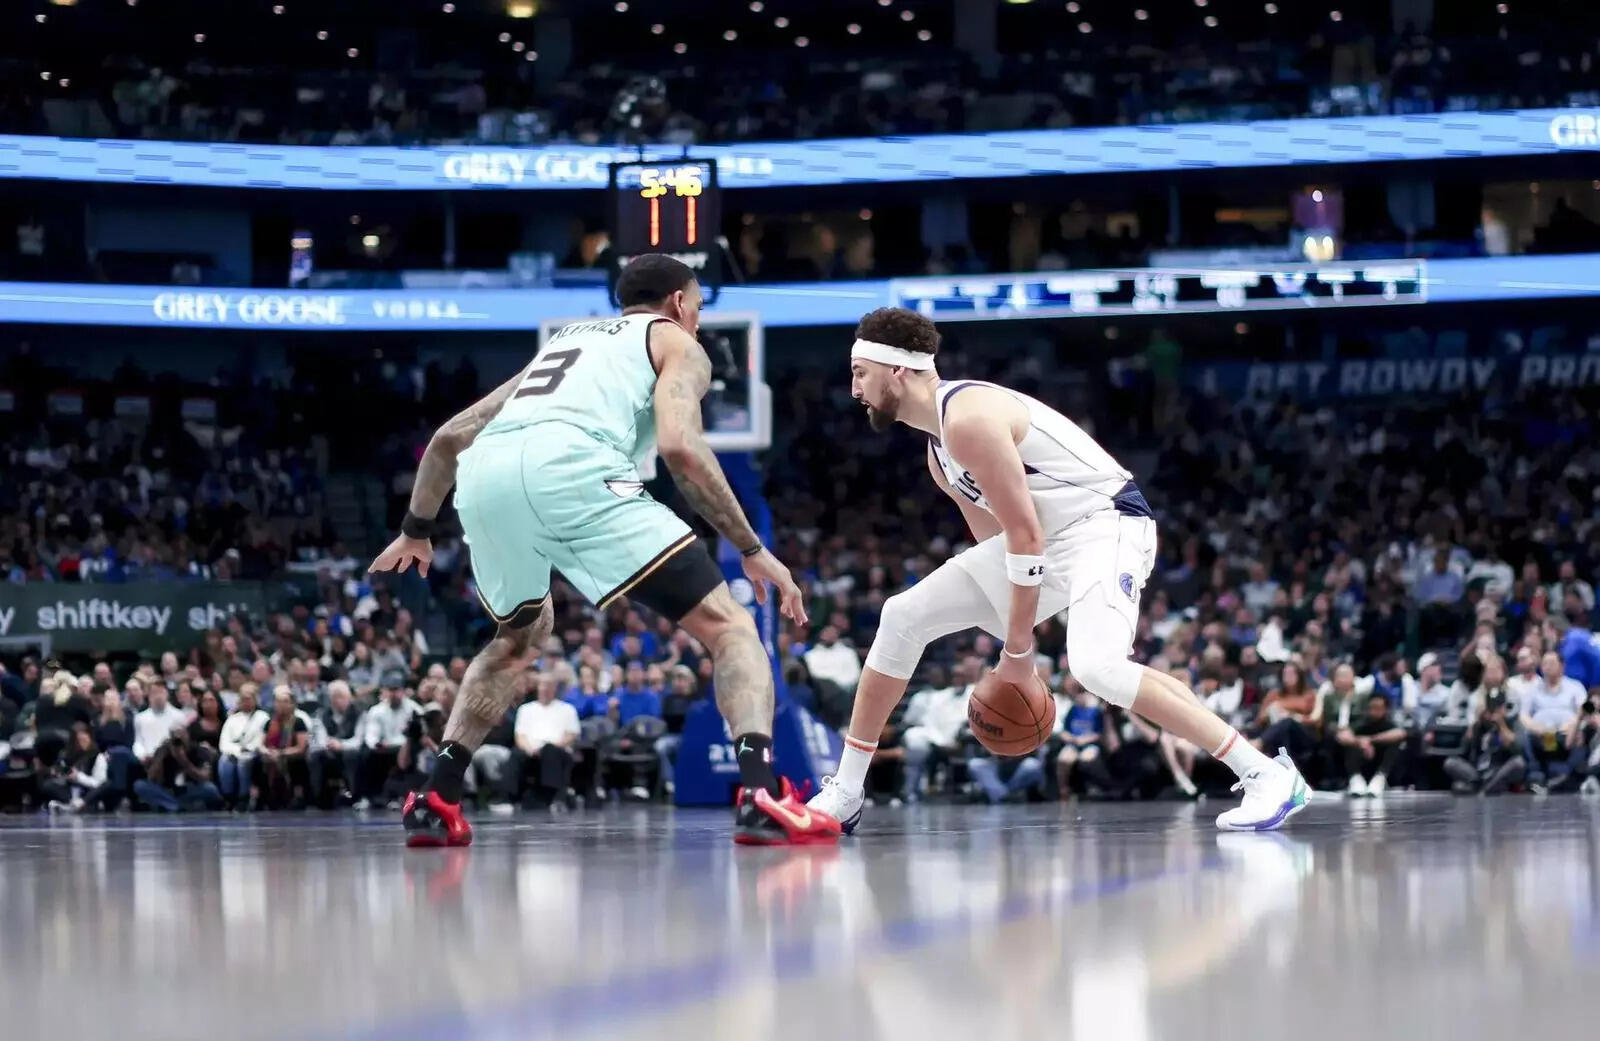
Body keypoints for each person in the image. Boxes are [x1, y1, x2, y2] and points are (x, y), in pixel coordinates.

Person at [369, 254, 835, 847]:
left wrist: (415, 528)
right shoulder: (675, 342)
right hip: (575, 469)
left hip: (484, 479)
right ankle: (761, 794)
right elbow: (680, 448)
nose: (696, 316)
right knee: (732, 627)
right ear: (677, 302)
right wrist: (750, 546)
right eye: (696, 304)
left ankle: (438, 796)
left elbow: (449, 437)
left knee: (516, 639)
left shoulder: (567, 343)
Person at [808, 307, 1309, 832]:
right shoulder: (940, 455)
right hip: (1051, 541)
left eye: (860, 374)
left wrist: (1018, 653)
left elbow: (1025, 540)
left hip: (1106, 523)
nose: (854, 390)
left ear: (898, 371)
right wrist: (1010, 629)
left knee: (1098, 667)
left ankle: (1266, 776)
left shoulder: (969, 418)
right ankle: (846, 791)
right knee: (903, 616)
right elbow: (1004, 547)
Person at [513, 672, 581, 809]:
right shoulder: (525, 709)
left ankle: (554, 796)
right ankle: (510, 798)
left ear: (555, 688)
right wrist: (530, 749)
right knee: (515, 755)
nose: (545, 688)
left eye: (549, 685)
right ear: (538, 687)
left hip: (558, 749)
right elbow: (520, 736)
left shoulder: (567, 709)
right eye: (543, 685)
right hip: (531, 750)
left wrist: (552, 746)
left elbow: (571, 734)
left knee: (549, 750)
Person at [1443, 694, 1526, 795]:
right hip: (1477, 771)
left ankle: (1483, 789)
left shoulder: (1512, 723)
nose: (1492, 712)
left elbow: (1517, 748)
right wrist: (1476, 721)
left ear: (1504, 708)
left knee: (1518, 763)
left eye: (1497, 708)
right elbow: (1465, 748)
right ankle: (1483, 787)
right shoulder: (1479, 725)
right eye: (1490, 708)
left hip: (1498, 771)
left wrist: (1501, 724)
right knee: (1450, 762)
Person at [1336, 692, 1407, 796]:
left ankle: (1379, 779)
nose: (1374, 711)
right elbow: (1342, 735)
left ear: (1385, 709)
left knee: (1393, 745)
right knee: (1349, 747)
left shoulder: (1389, 724)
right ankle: (1356, 779)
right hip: (1362, 762)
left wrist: (1370, 740)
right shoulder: (1361, 723)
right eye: (1371, 707)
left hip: (1382, 764)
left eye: (1378, 708)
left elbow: (1400, 733)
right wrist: (1359, 742)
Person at [257, 686, 310, 809]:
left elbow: (301, 747)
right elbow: (260, 744)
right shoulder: (269, 723)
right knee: (258, 762)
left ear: (292, 704)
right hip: (272, 755)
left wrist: (281, 753)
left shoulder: (298, 722)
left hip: (291, 755)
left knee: (297, 763)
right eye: (278, 701)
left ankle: (296, 797)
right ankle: (264, 798)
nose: (281, 705)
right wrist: (267, 751)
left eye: (285, 701)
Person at [218, 683, 267, 810]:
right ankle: (228, 797)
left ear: (255, 700)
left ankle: (243, 797)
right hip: (234, 751)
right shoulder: (232, 719)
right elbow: (224, 742)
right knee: (224, 761)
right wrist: (236, 750)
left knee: (244, 761)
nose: (245, 702)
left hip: (253, 752)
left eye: (248, 699)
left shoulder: (262, 717)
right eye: (242, 699)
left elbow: (261, 739)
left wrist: (247, 749)